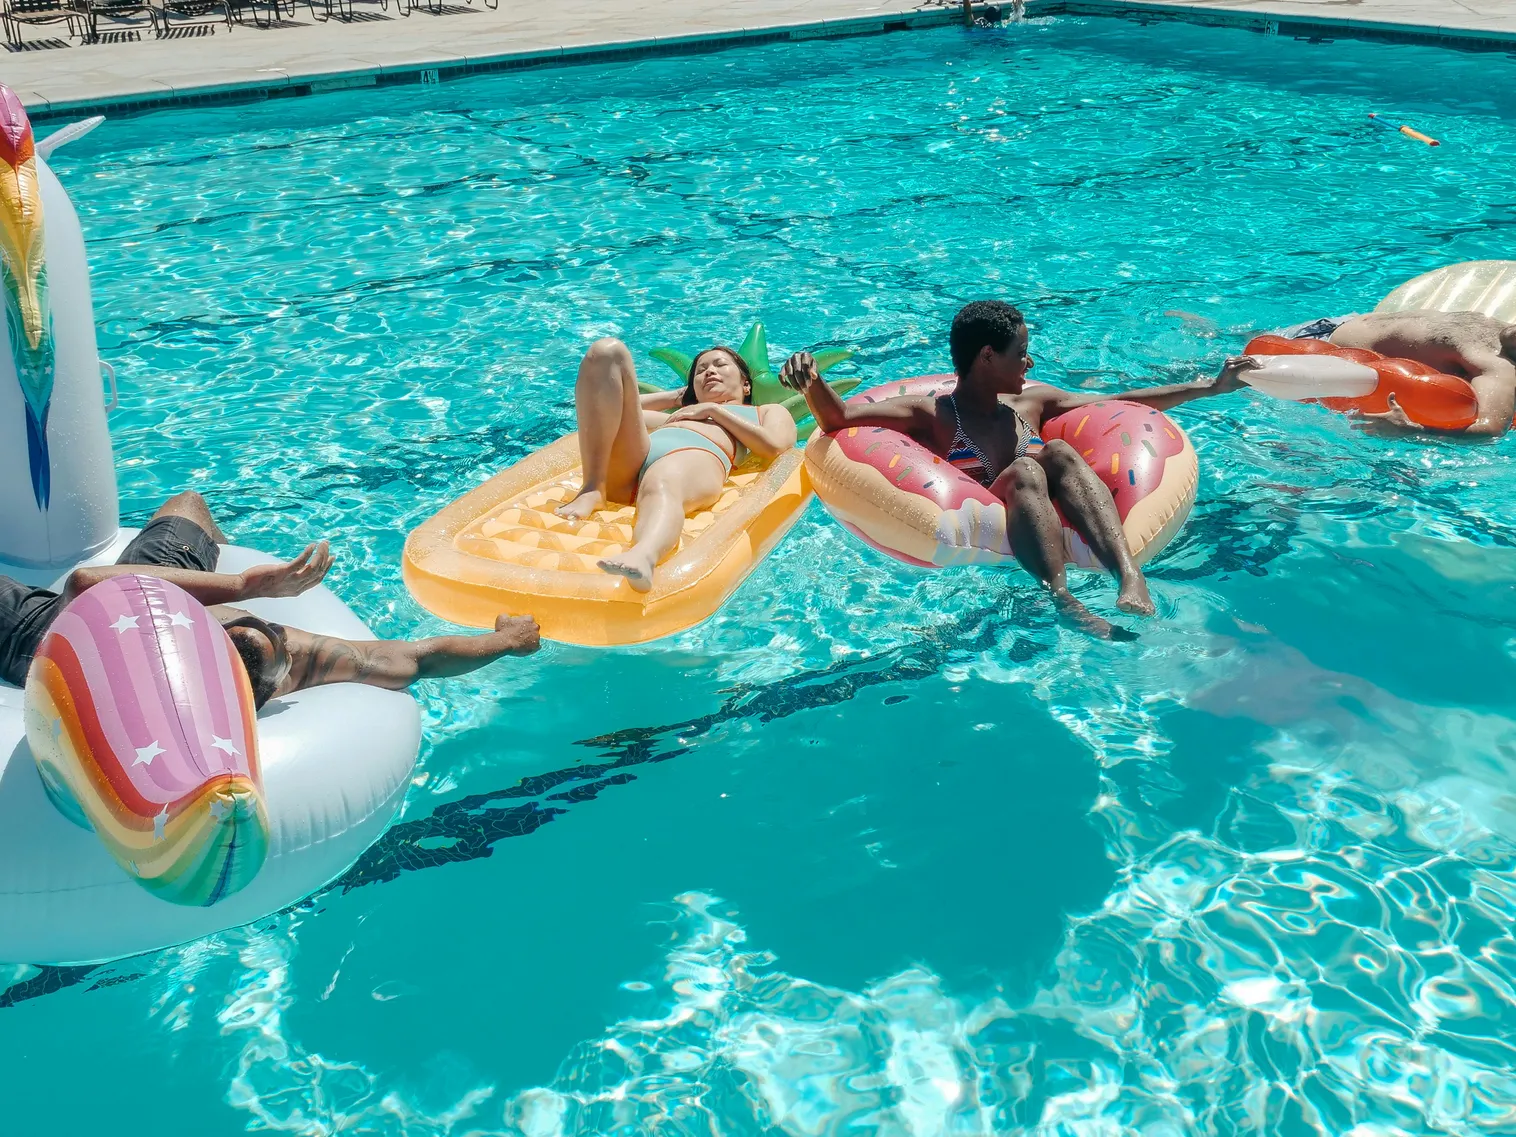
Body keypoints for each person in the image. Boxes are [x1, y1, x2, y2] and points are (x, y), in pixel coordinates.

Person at [779, 300, 1258, 639]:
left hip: (1059, 496)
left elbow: (1119, 404)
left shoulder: (1030, 402)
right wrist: (811, 381)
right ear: (987, 356)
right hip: (1004, 513)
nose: (1030, 360)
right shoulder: (934, 415)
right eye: (1020, 351)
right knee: (1029, 470)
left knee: (1059, 454)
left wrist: (1209, 388)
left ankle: (1129, 576)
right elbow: (839, 420)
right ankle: (1063, 599)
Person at [0, 491, 540, 707]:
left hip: (43, 633)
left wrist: (244, 587)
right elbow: (416, 659)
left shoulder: (145, 664)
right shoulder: (282, 660)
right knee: (189, 505)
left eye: (270, 630)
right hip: (145, 603)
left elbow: (85, 587)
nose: (285, 631)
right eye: (275, 628)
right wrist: (506, 640)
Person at [555, 337, 798, 591]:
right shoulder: (680, 415)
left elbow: (776, 445)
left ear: (746, 385)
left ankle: (644, 555)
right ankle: (594, 488)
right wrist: (676, 398)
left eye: (719, 365)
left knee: (663, 477)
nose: (709, 371)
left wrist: (713, 411)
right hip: (633, 463)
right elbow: (605, 406)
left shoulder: (763, 412)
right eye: (701, 370)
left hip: (694, 458)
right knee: (606, 351)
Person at [1320, 310, 1516, 436]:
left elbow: (1490, 429)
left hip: (1321, 351)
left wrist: (1410, 430)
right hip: (1337, 321)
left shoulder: (1500, 367)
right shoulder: (1501, 329)